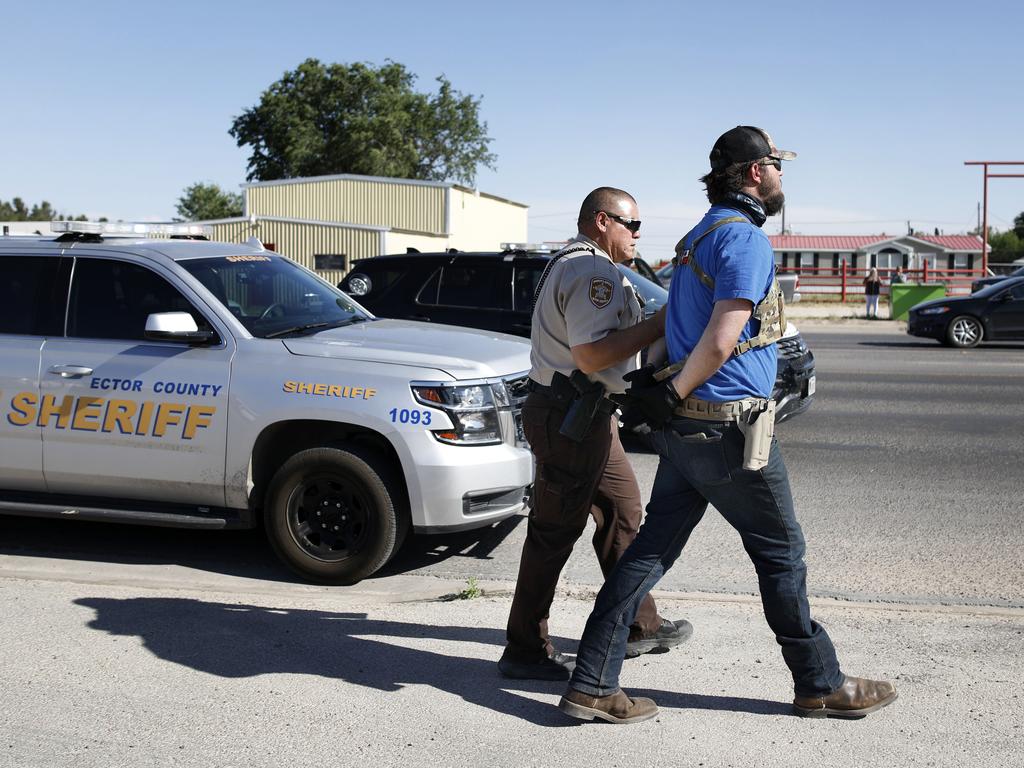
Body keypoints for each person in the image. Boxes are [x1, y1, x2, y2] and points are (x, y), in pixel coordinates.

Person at [558, 128, 897, 723]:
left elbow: (676, 324)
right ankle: (819, 682)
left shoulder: (696, 238)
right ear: (751, 174)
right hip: (728, 432)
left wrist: (667, 397)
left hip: (688, 432)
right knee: (781, 554)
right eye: (775, 166)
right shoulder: (743, 240)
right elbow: (719, 341)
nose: (780, 177)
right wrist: (676, 390)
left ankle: (590, 682)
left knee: (647, 556)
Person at [497, 187, 692, 681]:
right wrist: (660, 323)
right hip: (571, 418)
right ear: (603, 221)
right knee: (553, 533)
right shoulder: (592, 271)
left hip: (586, 415)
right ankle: (524, 648)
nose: (639, 236)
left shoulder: (581, 263)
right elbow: (592, 355)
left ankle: (638, 625)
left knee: (624, 513)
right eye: (633, 225)